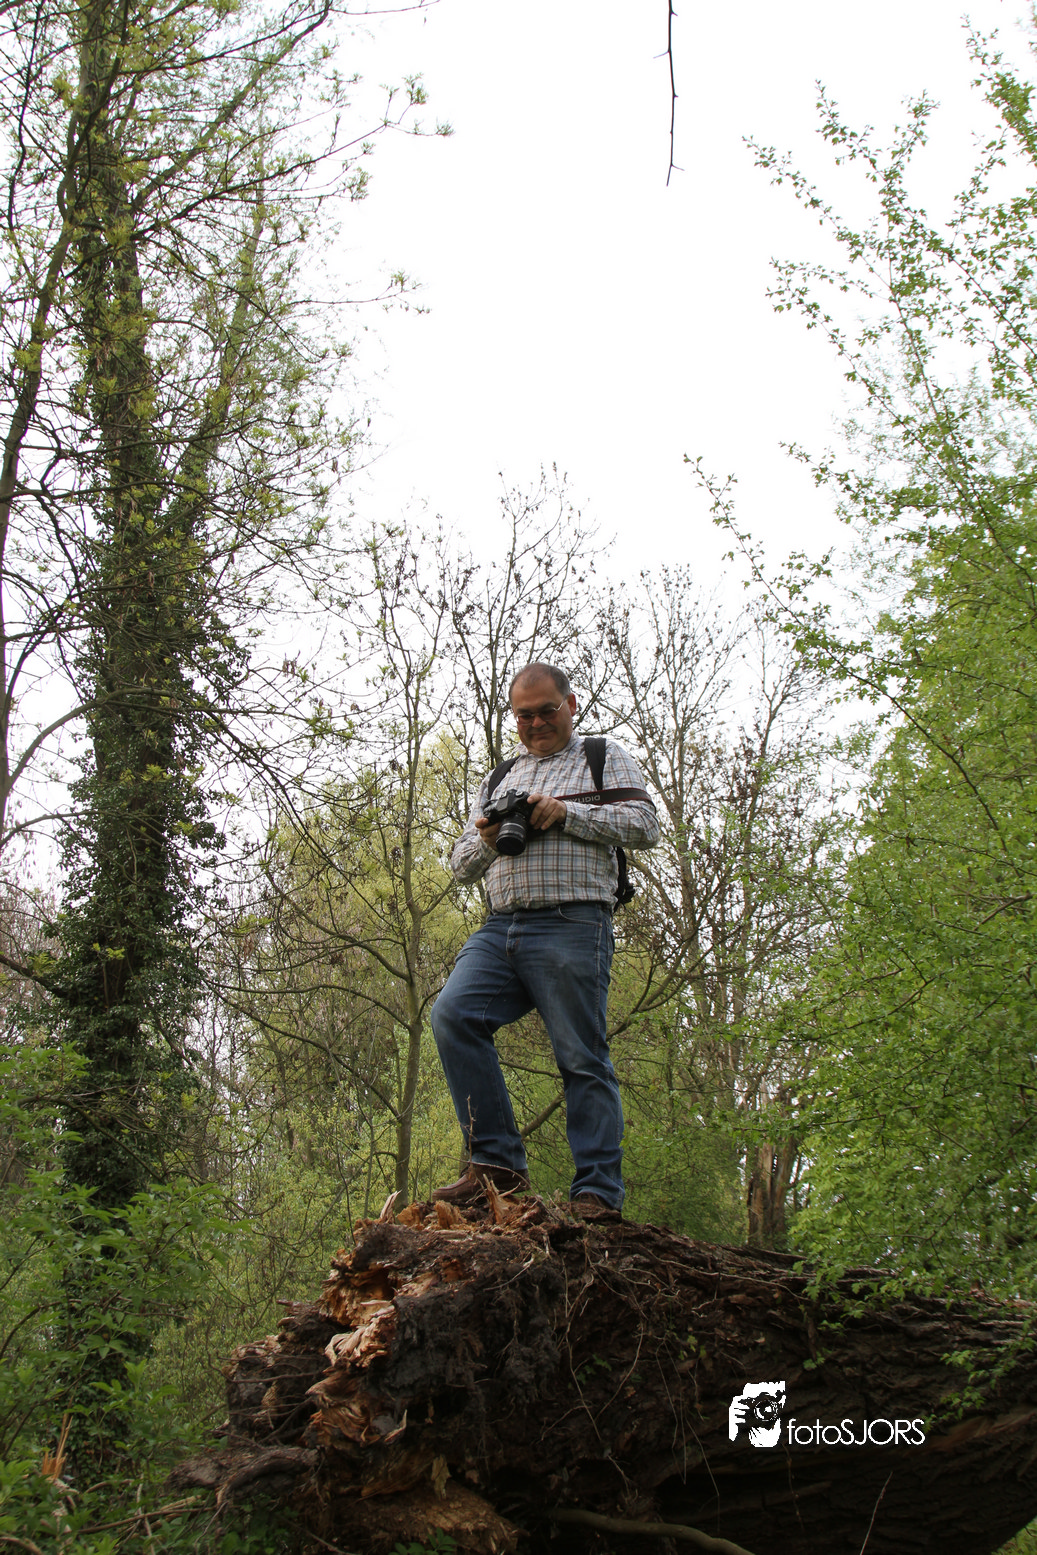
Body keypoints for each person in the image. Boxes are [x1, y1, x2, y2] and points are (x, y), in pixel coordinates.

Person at [430, 663, 660, 1215]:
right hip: (500, 927)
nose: (535, 723)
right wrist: (489, 839)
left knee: (581, 1055)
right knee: (453, 1015)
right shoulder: (499, 778)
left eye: (546, 711)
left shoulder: (602, 756)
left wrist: (566, 814)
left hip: (573, 923)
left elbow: (645, 825)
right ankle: (498, 1166)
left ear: (570, 705)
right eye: (523, 715)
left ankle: (597, 1192)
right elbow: (460, 865)